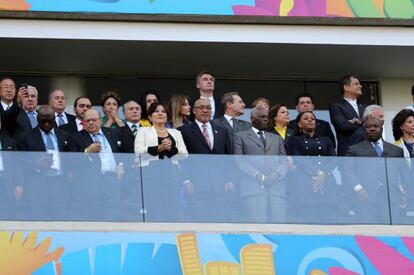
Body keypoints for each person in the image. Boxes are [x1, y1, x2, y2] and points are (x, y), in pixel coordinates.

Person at [178, 98, 233, 221]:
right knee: (200, 221)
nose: (205, 110)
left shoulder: (222, 130)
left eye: (208, 108)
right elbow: (181, 159)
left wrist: (229, 179)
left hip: (220, 185)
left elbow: (228, 156)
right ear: (194, 111)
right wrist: (186, 180)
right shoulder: (184, 131)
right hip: (196, 186)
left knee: (220, 221)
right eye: (201, 107)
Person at [68, 109, 126, 220]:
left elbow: (125, 151)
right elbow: (71, 160)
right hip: (91, 183)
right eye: (87, 120)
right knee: (93, 214)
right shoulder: (75, 137)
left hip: (113, 180)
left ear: (100, 121)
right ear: (83, 123)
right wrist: (87, 152)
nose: (90, 123)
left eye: (93, 120)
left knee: (114, 213)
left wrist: (121, 164)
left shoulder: (113, 133)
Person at [134, 102, 187, 222]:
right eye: (156, 111)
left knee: (172, 209)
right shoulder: (143, 131)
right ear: (150, 117)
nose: (160, 113)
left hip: (171, 173)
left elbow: (184, 153)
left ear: (167, 116)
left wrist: (170, 148)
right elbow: (138, 151)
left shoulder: (176, 133)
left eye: (163, 111)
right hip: (151, 173)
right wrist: (159, 148)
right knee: (154, 209)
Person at [344, 116, 403, 222]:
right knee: (367, 234)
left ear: (382, 128)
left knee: (392, 234)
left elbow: (404, 175)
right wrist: (359, 189)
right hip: (364, 198)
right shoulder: (353, 150)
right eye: (368, 126)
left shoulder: (396, 150)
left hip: (392, 199)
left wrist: (405, 194)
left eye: (376, 126)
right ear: (363, 130)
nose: (372, 129)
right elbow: (346, 171)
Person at [234, 106, 287, 223]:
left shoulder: (277, 138)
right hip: (253, 187)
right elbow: (239, 161)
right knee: (257, 226)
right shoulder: (240, 136)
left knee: (279, 226)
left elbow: (283, 161)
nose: (265, 120)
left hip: (276, 188)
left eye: (267, 117)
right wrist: (257, 175)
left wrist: (276, 174)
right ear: (252, 118)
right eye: (261, 117)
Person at [18, 105, 70, 220]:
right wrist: (36, 164)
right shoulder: (26, 137)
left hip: (60, 184)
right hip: (37, 186)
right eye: (43, 121)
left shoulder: (64, 136)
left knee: (61, 219)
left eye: (49, 121)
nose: (46, 124)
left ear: (54, 119)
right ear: (37, 119)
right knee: (37, 219)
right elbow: (18, 161)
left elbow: (70, 159)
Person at [286, 111, 337, 223]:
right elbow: (298, 158)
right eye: (306, 118)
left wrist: (323, 173)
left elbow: (333, 159)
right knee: (309, 218)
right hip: (305, 181)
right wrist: (318, 172)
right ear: (299, 124)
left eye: (312, 118)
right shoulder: (294, 140)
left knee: (329, 218)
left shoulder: (326, 140)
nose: (310, 120)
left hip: (326, 182)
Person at [329, 75, 367, 156]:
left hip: (366, 151)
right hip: (347, 151)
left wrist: (356, 122)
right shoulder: (336, 106)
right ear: (346, 87)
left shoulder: (365, 108)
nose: (360, 86)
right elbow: (343, 125)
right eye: (356, 84)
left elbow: (371, 125)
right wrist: (363, 123)